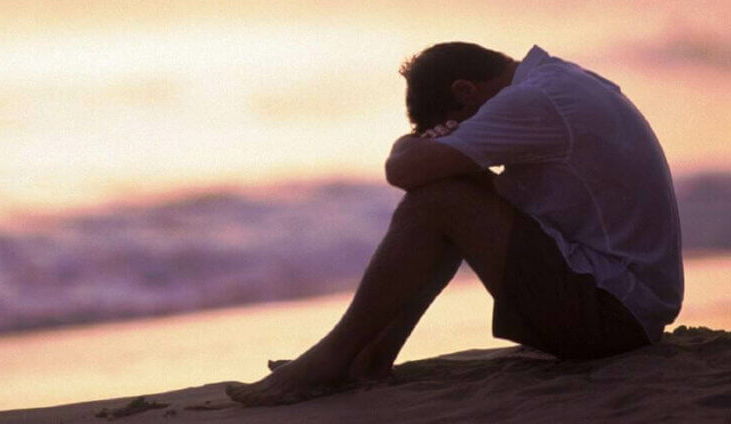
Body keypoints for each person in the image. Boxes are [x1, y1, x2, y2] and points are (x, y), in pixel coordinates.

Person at [226, 42, 683, 406]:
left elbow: (403, 171)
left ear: (466, 92)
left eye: (447, 127)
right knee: (452, 184)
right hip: (626, 301)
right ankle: (368, 355)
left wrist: (413, 144)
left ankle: (334, 357)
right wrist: (438, 149)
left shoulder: (534, 101)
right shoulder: (557, 82)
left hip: (614, 317)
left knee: (439, 197)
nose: (450, 136)